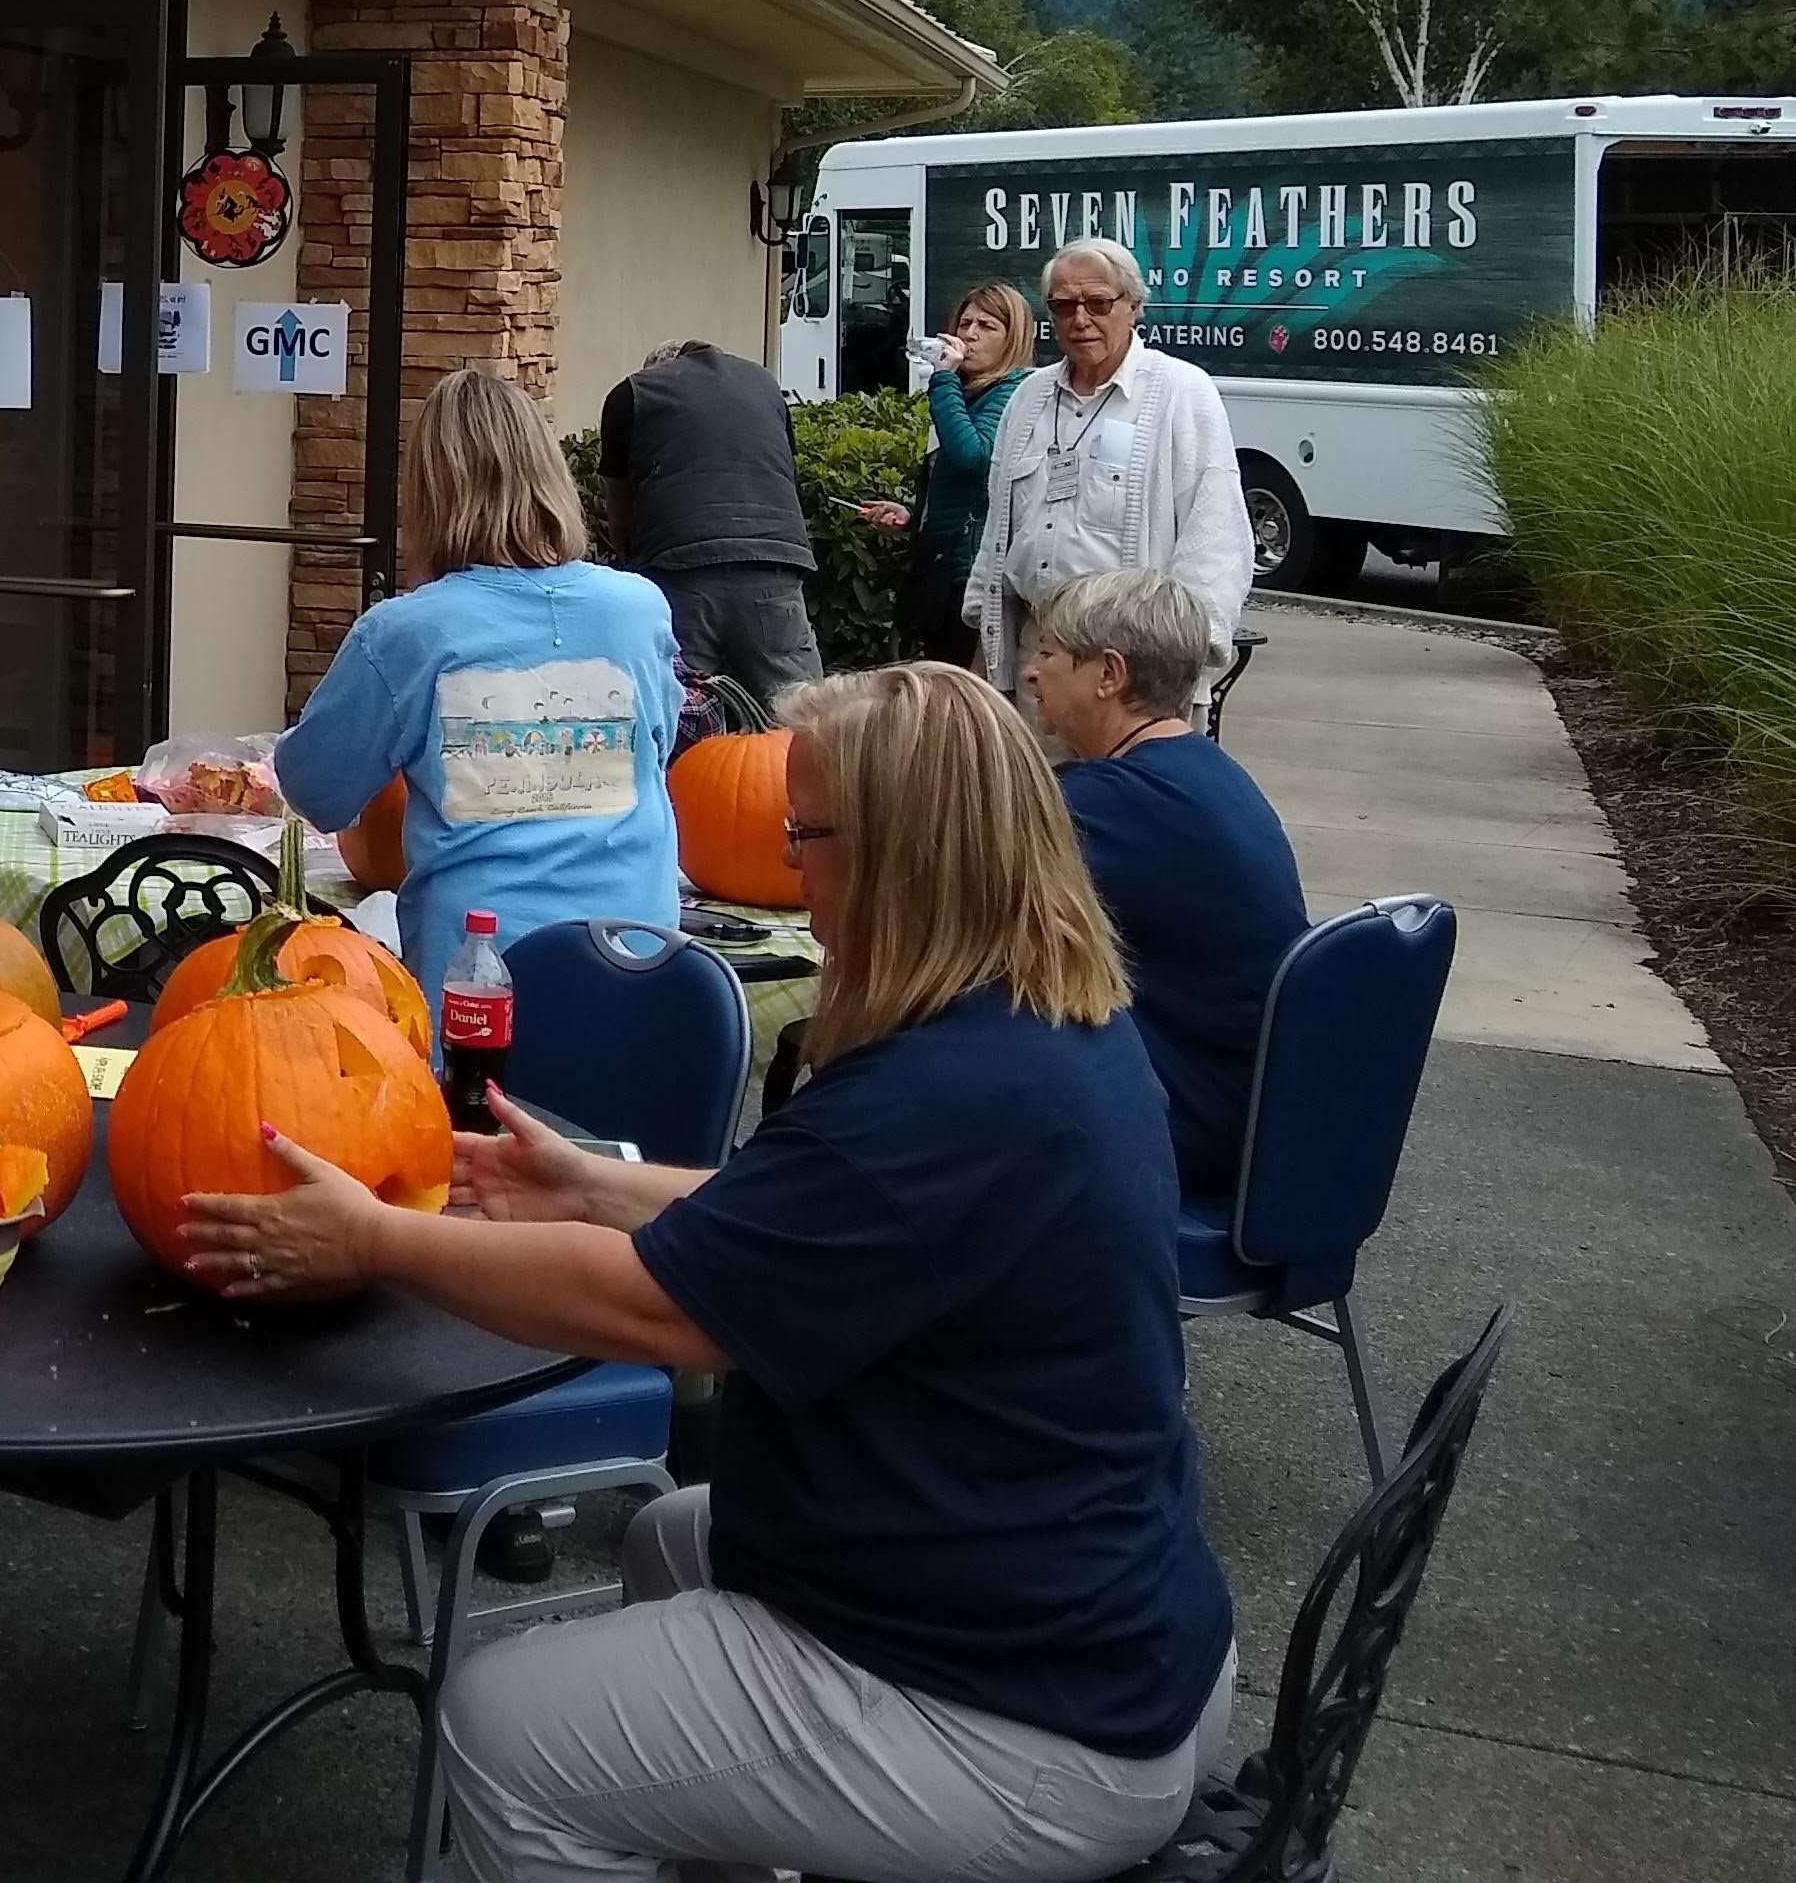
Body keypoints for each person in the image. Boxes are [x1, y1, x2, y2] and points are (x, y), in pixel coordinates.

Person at [184, 662, 1236, 1883]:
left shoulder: (938, 1095)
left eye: (807, 835)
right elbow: (812, 1226)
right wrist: (595, 1185)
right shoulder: (1041, 1027)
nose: (788, 866)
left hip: (1025, 1721)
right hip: (1101, 1621)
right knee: (673, 1539)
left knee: (498, 1727)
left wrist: (373, 1238)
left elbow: (660, 1308)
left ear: (899, 857)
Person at [275, 366, 681, 1004]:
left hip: (475, 981)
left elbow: (315, 790)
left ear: (427, 494)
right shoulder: (639, 610)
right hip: (639, 969)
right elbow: (656, 750)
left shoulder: (405, 633)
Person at [1029, 568, 1309, 1202]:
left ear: (1108, 674)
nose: (1031, 672)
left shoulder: (1113, 802)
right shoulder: (1204, 771)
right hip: (1253, 1113)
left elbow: (944, 884)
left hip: (1184, 1126)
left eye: (1047, 652)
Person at [970, 237, 1258, 705]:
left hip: (1132, 665)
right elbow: (998, 531)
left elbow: (1215, 535)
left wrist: (1176, 667)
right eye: (1064, 306)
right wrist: (987, 651)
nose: (1080, 319)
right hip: (1034, 653)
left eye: (1099, 303)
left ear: (1134, 307)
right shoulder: (1028, 398)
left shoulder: (1181, 392)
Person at [597, 338, 821, 702]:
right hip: (773, 566)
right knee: (799, 711)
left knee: (678, 709)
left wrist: (631, 564)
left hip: (681, 570)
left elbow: (619, 512)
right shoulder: (764, 384)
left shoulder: (633, 394)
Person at [860, 280, 1033, 666]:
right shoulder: (969, 392)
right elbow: (953, 480)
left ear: (1012, 339)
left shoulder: (1010, 392)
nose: (969, 335)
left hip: (971, 572)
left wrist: (943, 380)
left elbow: (973, 458)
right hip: (942, 567)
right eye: (965, 323)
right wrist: (913, 516)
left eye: (987, 326)